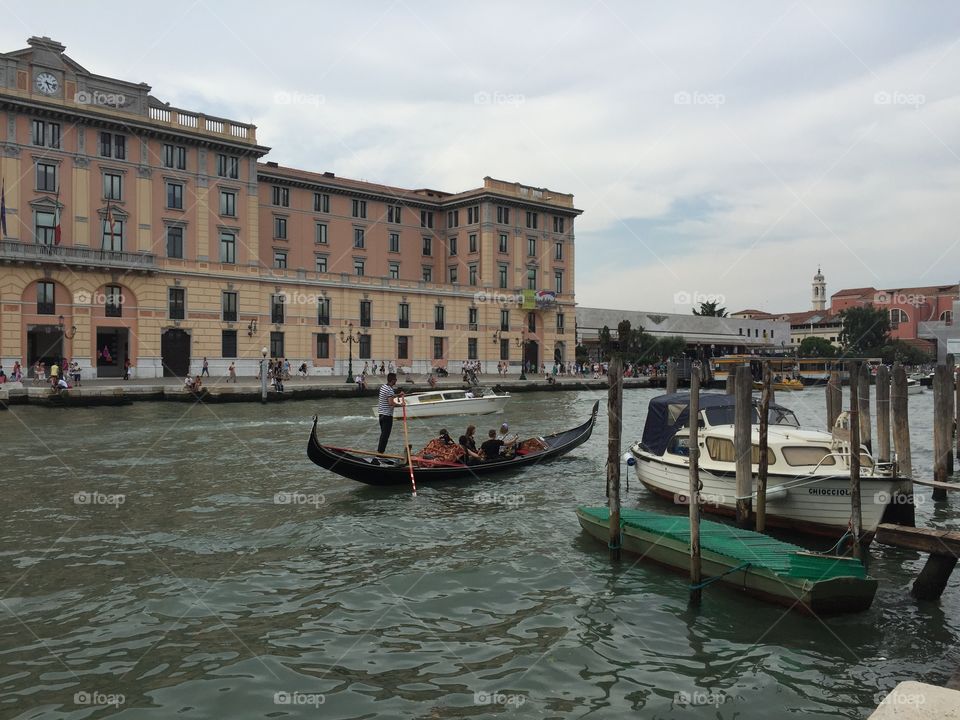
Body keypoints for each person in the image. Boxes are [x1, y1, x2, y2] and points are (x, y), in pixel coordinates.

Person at [377, 372, 403, 453]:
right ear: (393, 380)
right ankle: (380, 454)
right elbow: (391, 403)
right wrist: (401, 405)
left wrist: (398, 395)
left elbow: (389, 396)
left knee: (383, 435)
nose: (396, 381)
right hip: (387, 416)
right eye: (396, 379)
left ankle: (380, 453)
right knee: (385, 437)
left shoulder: (383, 387)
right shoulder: (390, 390)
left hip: (381, 415)